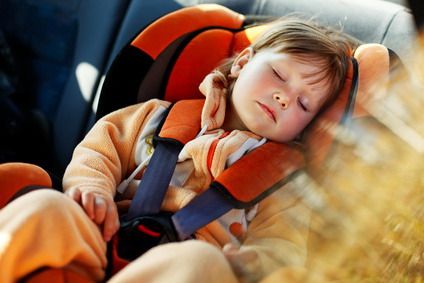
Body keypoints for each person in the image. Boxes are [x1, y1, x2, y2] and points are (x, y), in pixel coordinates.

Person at [0, 17, 351, 283]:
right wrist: (94, 192)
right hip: (105, 235)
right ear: (243, 62)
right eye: (278, 74)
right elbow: (98, 153)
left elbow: (284, 247)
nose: (285, 97)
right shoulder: (156, 116)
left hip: (185, 268)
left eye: (304, 104)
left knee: (202, 263)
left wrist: (252, 264)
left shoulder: (282, 183)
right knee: (48, 206)